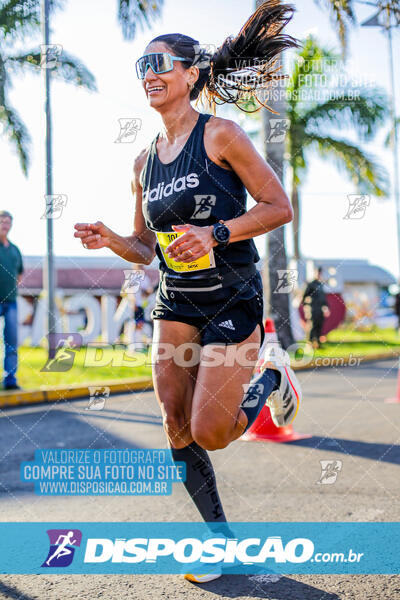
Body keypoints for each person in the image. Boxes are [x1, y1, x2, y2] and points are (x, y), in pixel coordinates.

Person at [75, 0, 301, 582]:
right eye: (141, 65)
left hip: (231, 295)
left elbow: (279, 207)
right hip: (175, 301)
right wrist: (110, 241)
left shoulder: (221, 134)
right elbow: (146, 247)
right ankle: (219, 542)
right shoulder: (143, 161)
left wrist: (217, 232)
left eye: (162, 63)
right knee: (175, 422)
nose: (149, 73)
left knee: (211, 432)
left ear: (192, 73)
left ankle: (273, 376)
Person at [0, 210, 23, 390]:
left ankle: (10, 379)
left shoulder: (15, 250)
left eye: (8, 222)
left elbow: (19, 273)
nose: (5, 225)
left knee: (11, 341)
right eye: (2, 221)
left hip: (11, 302)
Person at [301, 266, 330, 349]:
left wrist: (326, 307)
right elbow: (304, 296)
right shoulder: (311, 284)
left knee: (319, 325)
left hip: (320, 309)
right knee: (312, 326)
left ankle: (317, 343)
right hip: (312, 309)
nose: (319, 274)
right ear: (315, 273)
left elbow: (323, 298)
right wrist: (306, 306)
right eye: (318, 272)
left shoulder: (320, 285)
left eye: (320, 273)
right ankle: (309, 343)